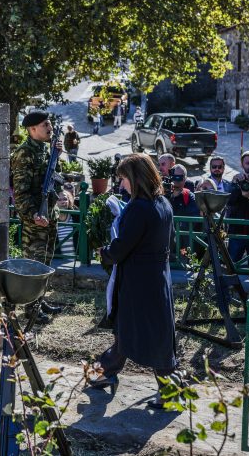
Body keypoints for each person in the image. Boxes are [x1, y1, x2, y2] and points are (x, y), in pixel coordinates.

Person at [89, 153, 182, 409]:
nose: (121, 185)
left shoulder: (139, 208)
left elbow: (121, 248)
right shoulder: (163, 203)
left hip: (139, 281)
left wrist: (104, 252)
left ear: (135, 177)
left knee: (137, 332)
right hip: (157, 277)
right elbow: (169, 242)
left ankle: (170, 390)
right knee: (143, 332)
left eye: (123, 179)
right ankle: (100, 373)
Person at [11, 110, 64, 319]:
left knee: (45, 262)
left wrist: (56, 156)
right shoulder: (25, 153)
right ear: (32, 129)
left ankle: (39, 301)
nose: (50, 128)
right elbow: (20, 192)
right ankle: (30, 309)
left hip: (49, 215)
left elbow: (53, 178)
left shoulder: (44, 149)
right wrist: (33, 215)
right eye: (45, 125)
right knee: (33, 265)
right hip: (35, 220)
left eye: (49, 124)